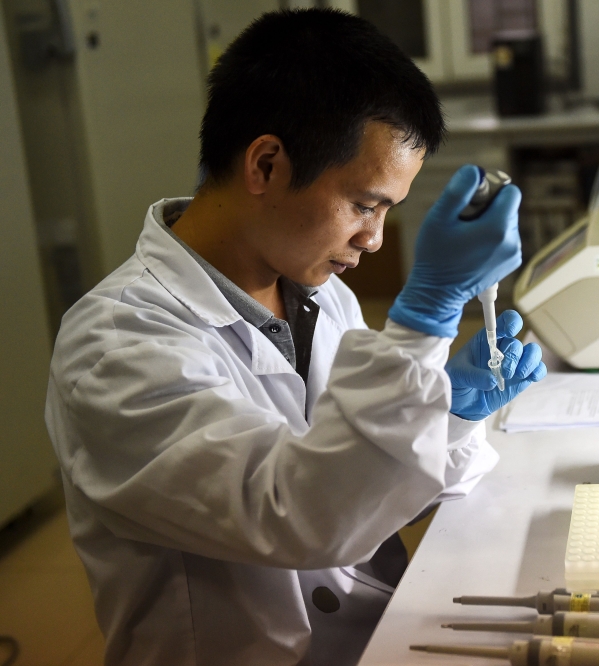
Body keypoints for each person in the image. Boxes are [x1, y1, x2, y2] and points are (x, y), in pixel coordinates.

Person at [44, 9, 545, 666]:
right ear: (267, 164)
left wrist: (447, 411)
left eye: (386, 211)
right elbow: (299, 515)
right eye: (365, 204)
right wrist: (421, 323)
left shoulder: (322, 294)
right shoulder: (115, 348)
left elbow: (360, 482)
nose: (373, 237)